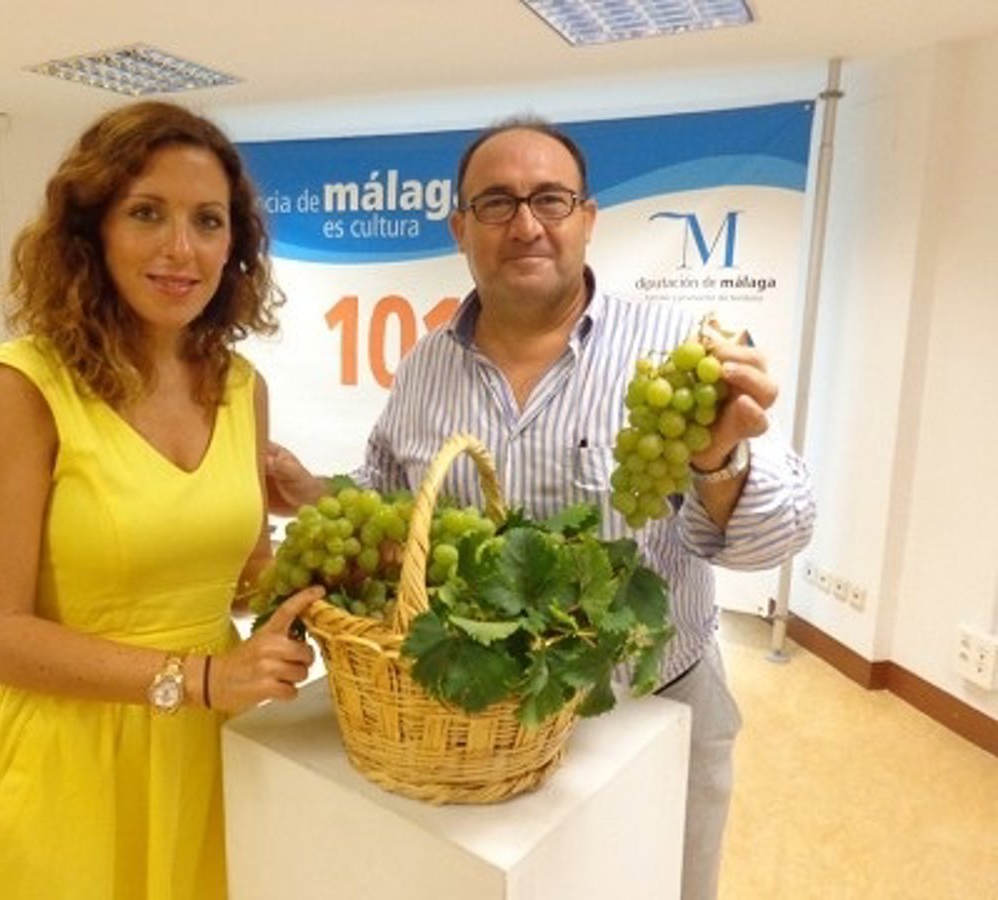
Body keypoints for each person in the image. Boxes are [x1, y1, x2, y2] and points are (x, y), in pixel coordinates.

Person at [267, 116, 816, 900]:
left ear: (587, 218)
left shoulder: (680, 353)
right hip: (484, 731)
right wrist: (314, 492)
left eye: (550, 200)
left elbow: (777, 537)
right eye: (496, 203)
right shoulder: (424, 366)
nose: (525, 225)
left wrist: (719, 463)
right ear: (460, 228)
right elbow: (391, 500)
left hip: (650, 712)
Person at [0, 101, 320, 900]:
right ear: (91, 229)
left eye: (208, 221)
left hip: (207, 757)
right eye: (147, 213)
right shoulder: (21, 389)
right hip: (67, 765)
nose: (181, 248)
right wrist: (201, 679)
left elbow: (242, 579)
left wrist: (321, 559)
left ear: (234, 244)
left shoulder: (242, 388)